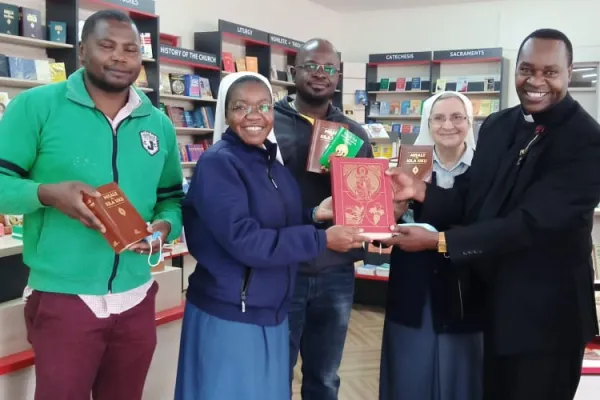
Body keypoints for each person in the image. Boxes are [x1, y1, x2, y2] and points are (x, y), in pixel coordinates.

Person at [386, 29, 600, 400]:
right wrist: (420, 191)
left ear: (569, 71)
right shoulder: (500, 125)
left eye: (550, 72)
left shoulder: (587, 141)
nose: (535, 82)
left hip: (547, 318)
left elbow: (531, 224)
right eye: (526, 69)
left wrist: (439, 242)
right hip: (493, 307)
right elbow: (473, 195)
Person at [0, 9, 184, 400]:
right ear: (82, 51)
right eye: (107, 46)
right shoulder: (37, 106)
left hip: (136, 295)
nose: (120, 57)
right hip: (63, 298)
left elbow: (171, 200)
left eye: (131, 49)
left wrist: (164, 228)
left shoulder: (158, 123)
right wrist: (47, 194)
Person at [174, 71, 368, 400]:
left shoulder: (270, 164)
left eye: (263, 106)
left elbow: (275, 224)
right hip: (232, 312)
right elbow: (246, 241)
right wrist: (322, 240)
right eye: (240, 107)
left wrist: (314, 214)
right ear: (225, 112)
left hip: (271, 309)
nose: (254, 116)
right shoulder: (218, 164)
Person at [273, 38, 373, 400]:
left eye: (329, 68)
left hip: (335, 273)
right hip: (283, 268)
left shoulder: (355, 134)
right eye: (312, 66)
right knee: (275, 372)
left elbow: (367, 202)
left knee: (326, 377)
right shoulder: (267, 125)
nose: (320, 74)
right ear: (294, 70)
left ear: (338, 76)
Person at [379, 91, 483, 400]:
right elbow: (384, 225)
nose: (448, 125)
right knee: (411, 373)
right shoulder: (407, 167)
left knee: (463, 375)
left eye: (457, 117)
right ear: (427, 123)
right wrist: (391, 215)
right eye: (438, 117)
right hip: (414, 286)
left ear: (470, 122)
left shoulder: (487, 169)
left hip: (467, 288)